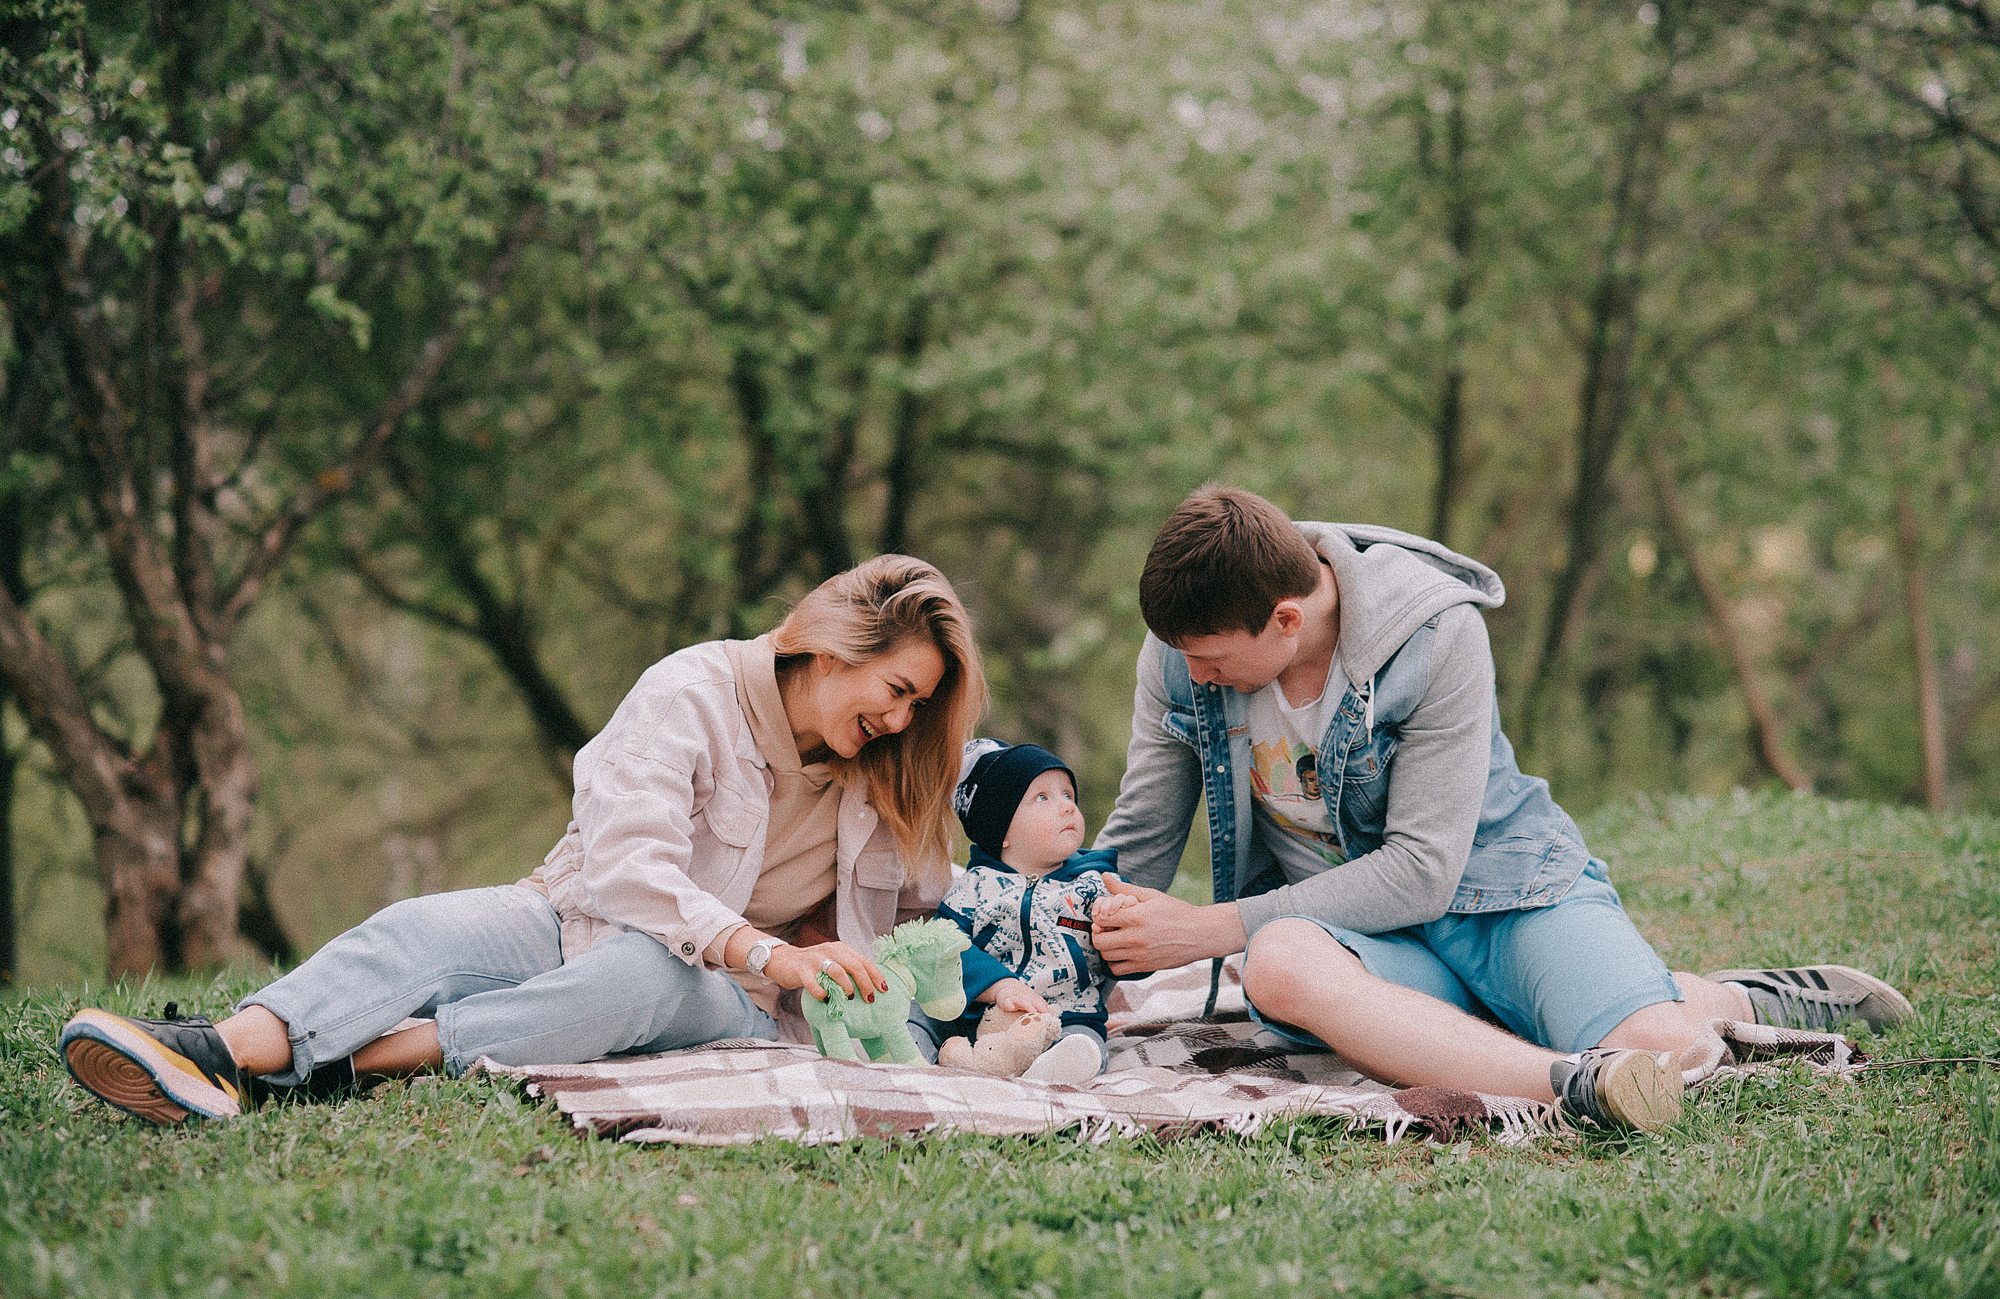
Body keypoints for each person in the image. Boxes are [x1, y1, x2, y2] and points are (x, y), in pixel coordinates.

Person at [1089, 485, 1913, 1130]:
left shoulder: (1435, 634)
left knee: (1666, 1046)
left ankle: (1727, 1000)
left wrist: (1210, 926)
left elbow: (1421, 872)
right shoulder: (1179, 650)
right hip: (1353, 941)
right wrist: (1057, 941)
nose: (1193, 677)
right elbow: (1142, 832)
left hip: (1499, 896)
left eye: (1209, 660)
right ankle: (1572, 1083)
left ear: (1285, 618)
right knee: (1277, 963)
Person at [60, 555, 986, 1125]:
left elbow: (927, 916)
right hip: (571, 912)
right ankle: (214, 1051)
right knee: (422, 931)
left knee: (650, 979)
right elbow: (627, 869)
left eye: (918, 704)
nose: (903, 720)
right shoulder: (693, 693)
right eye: (897, 689)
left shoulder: (886, 777)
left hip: (730, 998)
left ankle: (345, 1065)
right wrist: (765, 945)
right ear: (830, 648)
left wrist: (991, 982)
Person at [925, 739, 1135, 1084]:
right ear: (1001, 830)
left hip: (1064, 1016)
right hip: (981, 1017)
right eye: (1043, 797)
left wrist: (1122, 922)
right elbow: (941, 946)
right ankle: (908, 1049)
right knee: (922, 1011)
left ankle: (1059, 1067)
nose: (1067, 807)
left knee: (1085, 1041)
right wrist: (997, 986)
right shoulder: (975, 886)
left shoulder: (1095, 885)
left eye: (1068, 795)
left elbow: (1135, 959)